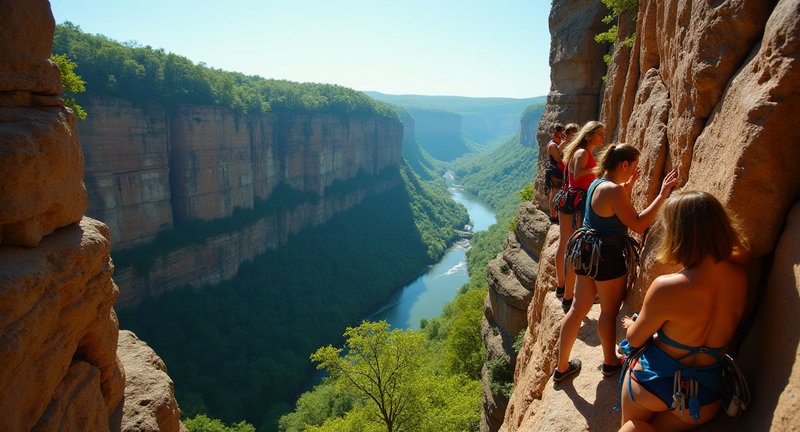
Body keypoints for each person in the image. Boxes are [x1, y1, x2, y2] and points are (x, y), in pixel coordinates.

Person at [617, 191, 748, 431]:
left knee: (631, 427)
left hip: (651, 386)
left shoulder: (668, 287)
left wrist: (632, 325)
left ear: (678, 234)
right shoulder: (740, 277)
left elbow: (634, 339)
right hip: (704, 397)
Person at [553, 143, 678, 383]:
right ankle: (610, 362)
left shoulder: (598, 183)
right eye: (634, 166)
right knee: (609, 312)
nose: (634, 170)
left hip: (586, 253)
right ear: (624, 164)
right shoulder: (613, 190)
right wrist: (663, 195)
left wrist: (627, 187)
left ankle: (562, 367)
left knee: (578, 309)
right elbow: (638, 224)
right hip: (607, 256)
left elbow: (610, 208)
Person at [553, 121, 605, 313]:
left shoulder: (577, 151)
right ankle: (570, 296)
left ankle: (562, 288)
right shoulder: (583, 153)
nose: (603, 137)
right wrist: (598, 169)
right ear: (589, 135)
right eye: (599, 134)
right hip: (578, 202)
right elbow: (578, 173)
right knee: (576, 249)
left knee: (565, 244)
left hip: (569, 199)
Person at [545, 123, 566, 223]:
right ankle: (553, 215)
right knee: (555, 193)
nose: (562, 133)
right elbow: (558, 158)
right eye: (560, 131)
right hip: (555, 171)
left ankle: (556, 214)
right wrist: (562, 146)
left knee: (558, 193)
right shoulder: (552, 145)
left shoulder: (557, 143)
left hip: (559, 171)